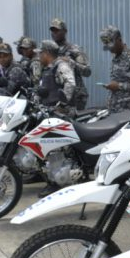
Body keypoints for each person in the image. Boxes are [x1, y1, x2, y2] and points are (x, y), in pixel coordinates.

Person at [36, 39, 77, 196]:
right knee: (50, 148)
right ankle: (53, 178)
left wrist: (62, 103)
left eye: (41, 52)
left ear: (47, 53)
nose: (39, 55)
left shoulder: (61, 66)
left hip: (61, 113)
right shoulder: (49, 68)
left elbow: (70, 84)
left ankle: (56, 182)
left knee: (56, 148)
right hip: (50, 113)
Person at [99, 25, 130, 112]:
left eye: (111, 46)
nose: (110, 49)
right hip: (114, 109)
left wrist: (118, 86)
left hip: (128, 111)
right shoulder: (115, 57)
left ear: (119, 40)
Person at [50, 18, 92, 110]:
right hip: (57, 96)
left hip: (75, 96)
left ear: (65, 31)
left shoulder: (74, 49)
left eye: (57, 30)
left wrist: (70, 62)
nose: (54, 33)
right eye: (52, 30)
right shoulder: (51, 51)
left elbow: (87, 71)